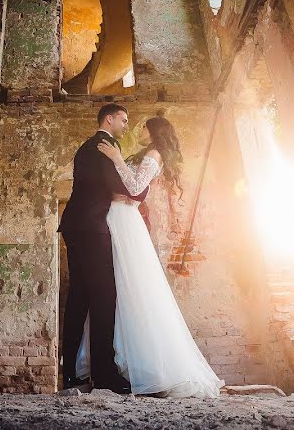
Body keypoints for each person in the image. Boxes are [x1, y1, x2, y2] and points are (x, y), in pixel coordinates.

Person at [75, 113, 224, 398]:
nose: (138, 129)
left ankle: (146, 368)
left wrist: (118, 160)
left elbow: (136, 189)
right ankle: (113, 366)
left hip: (125, 220)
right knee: (113, 288)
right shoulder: (142, 153)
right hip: (113, 216)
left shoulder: (154, 154)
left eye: (143, 126)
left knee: (132, 288)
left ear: (154, 131)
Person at [58, 103, 147, 393]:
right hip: (92, 228)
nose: (125, 125)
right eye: (123, 119)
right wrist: (128, 170)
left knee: (79, 298)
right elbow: (125, 187)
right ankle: (104, 374)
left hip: (75, 225)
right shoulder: (105, 145)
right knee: (104, 298)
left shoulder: (87, 146)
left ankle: (71, 374)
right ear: (108, 119)